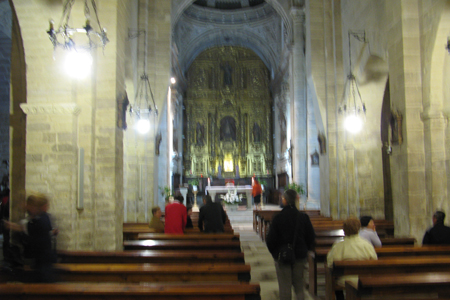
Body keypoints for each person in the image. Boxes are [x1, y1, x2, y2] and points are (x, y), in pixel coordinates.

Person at [266, 189, 315, 300]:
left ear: (285, 200)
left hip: (282, 256)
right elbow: (311, 237)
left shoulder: (278, 218)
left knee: (284, 288)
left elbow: (270, 240)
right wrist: (304, 250)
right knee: (299, 288)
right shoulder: (304, 217)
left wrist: (276, 254)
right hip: (300, 256)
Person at [4, 193, 58, 283]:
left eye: (29, 205)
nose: (26, 207)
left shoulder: (41, 220)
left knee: (44, 285)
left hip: (43, 261)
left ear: (36, 207)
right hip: (40, 261)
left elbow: (34, 238)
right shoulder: (38, 219)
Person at [327, 218, 377, 300]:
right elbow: (374, 260)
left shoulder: (339, 246)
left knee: (333, 277)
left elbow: (331, 263)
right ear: (359, 229)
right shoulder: (367, 244)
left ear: (344, 230)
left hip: (346, 279)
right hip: (364, 277)